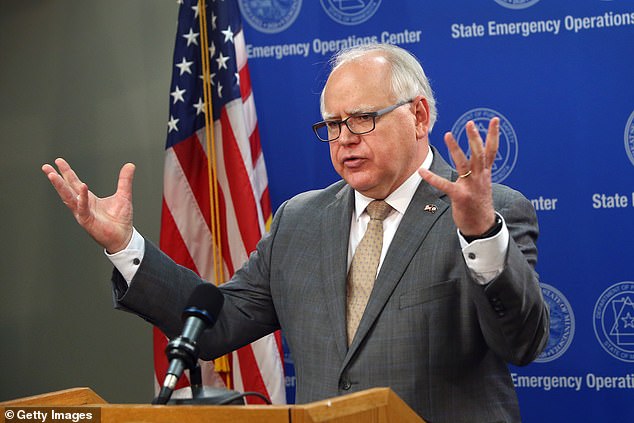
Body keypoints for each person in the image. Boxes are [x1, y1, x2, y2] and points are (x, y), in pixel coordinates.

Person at [42, 43, 548, 422]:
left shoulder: (492, 213)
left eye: (363, 119)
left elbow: (520, 343)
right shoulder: (300, 222)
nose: (344, 138)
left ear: (418, 116)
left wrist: (482, 234)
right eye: (332, 124)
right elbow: (217, 323)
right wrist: (123, 245)